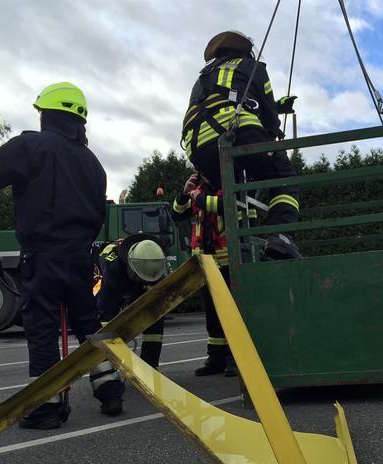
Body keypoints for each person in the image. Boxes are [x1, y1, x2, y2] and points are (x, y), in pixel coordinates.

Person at [0, 82, 108, 430]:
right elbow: (100, 212)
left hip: (44, 255)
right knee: (88, 324)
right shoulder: (93, 163)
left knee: (42, 328)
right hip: (80, 255)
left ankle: (45, 406)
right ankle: (110, 388)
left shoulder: (32, 145)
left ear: (47, 115)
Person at [181, 30, 302, 261]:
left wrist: (277, 107)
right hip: (234, 131)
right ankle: (280, 236)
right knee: (284, 179)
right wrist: (274, 129)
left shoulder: (203, 77)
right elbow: (267, 116)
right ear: (246, 51)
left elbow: (225, 100)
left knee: (234, 194)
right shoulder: (252, 66)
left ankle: (243, 245)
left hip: (196, 144)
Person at [172, 173, 247, 377]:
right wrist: (183, 193)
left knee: (234, 313)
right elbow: (177, 214)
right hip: (206, 264)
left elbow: (225, 206)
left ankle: (235, 359)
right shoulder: (199, 192)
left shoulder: (232, 187)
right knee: (212, 316)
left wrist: (196, 196)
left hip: (229, 263)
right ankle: (216, 359)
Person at [91, 235, 168, 414]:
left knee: (155, 317)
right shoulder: (111, 267)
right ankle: (107, 376)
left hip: (142, 273)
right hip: (118, 281)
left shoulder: (157, 259)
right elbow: (105, 313)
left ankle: (150, 368)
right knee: (105, 323)